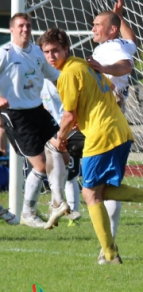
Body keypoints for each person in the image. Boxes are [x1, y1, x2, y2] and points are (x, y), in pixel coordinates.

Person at [39, 28, 143, 265]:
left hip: (101, 135)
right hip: (120, 130)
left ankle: (110, 254)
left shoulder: (68, 74)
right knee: (99, 190)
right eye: (46, 52)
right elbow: (110, 91)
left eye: (55, 51)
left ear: (66, 49)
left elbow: (69, 116)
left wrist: (60, 138)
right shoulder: (84, 64)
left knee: (90, 194)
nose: (51, 56)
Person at [0, 12, 70, 229]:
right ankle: (28, 213)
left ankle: (56, 203)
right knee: (40, 164)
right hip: (15, 115)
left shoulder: (38, 53)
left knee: (63, 152)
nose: (25, 29)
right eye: (20, 25)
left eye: (28, 25)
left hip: (38, 111)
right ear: (12, 30)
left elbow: (56, 77)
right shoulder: (5, 53)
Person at [85, 0, 137, 244]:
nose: (92, 28)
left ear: (110, 31)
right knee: (101, 183)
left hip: (107, 117)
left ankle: (109, 242)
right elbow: (131, 38)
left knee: (103, 184)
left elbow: (126, 66)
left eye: (98, 25)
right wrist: (118, 13)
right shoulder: (117, 43)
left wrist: (102, 68)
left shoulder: (111, 48)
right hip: (106, 116)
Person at [40, 79, 82, 222]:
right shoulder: (34, 76)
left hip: (66, 130)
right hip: (46, 130)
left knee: (70, 174)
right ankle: (44, 208)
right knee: (45, 171)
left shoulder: (63, 78)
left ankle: (72, 213)